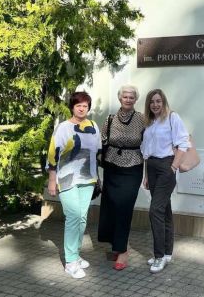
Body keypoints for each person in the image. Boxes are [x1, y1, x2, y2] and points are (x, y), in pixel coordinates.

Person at [47, 91, 101, 279]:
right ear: (72, 107)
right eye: (78, 105)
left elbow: (97, 152)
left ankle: (76, 255)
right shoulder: (63, 128)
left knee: (82, 218)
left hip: (88, 178)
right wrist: (52, 180)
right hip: (67, 178)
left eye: (85, 106)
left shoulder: (93, 126)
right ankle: (70, 262)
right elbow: (52, 155)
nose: (82, 109)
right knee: (73, 216)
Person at [140, 89, 190, 274]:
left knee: (155, 210)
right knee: (164, 210)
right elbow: (146, 151)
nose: (155, 105)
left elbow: (183, 143)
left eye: (158, 101)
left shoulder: (172, 118)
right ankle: (167, 253)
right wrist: (146, 175)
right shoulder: (149, 122)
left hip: (166, 166)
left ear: (163, 102)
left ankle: (159, 256)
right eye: (152, 102)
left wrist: (173, 167)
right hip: (152, 167)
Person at [97, 85, 145, 271]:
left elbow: (151, 140)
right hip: (112, 167)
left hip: (133, 167)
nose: (128, 99)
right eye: (125, 96)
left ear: (135, 99)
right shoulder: (110, 119)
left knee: (124, 207)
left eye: (131, 97)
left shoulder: (142, 119)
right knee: (111, 207)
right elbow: (102, 141)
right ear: (120, 98)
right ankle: (116, 246)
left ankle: (123, 250)